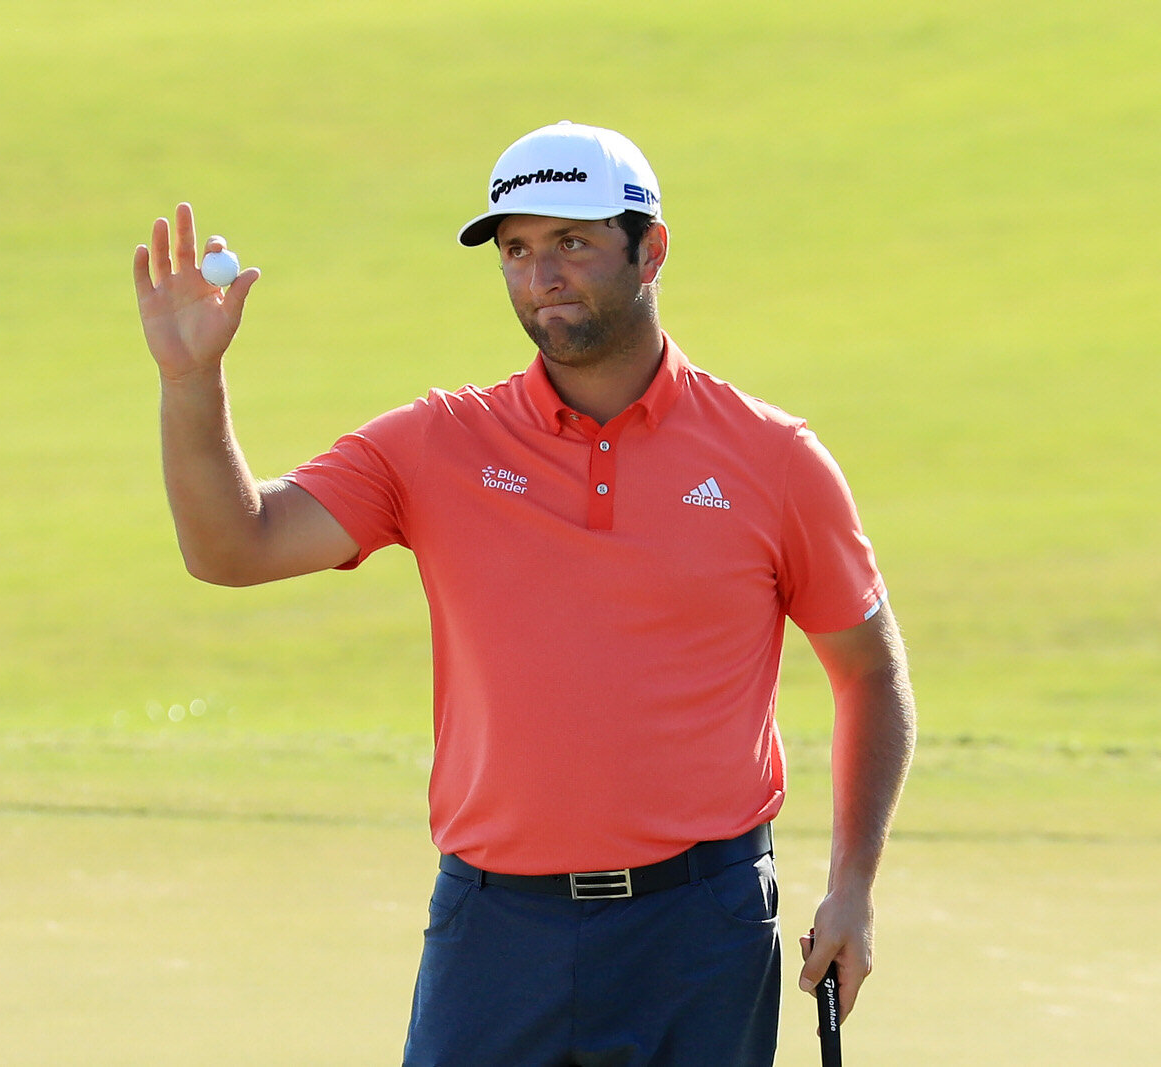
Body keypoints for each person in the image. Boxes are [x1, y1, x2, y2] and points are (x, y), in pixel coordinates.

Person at [133, 120, 916, 1066]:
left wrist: (853, 885)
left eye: (573, 243)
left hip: (701, 928)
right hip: (496, 926)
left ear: (652, 249)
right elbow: (232, 546)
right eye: (518, 250)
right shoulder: (437, 443)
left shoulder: (773, 458)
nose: (542, 276)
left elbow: (868, 673)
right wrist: (191, 378)